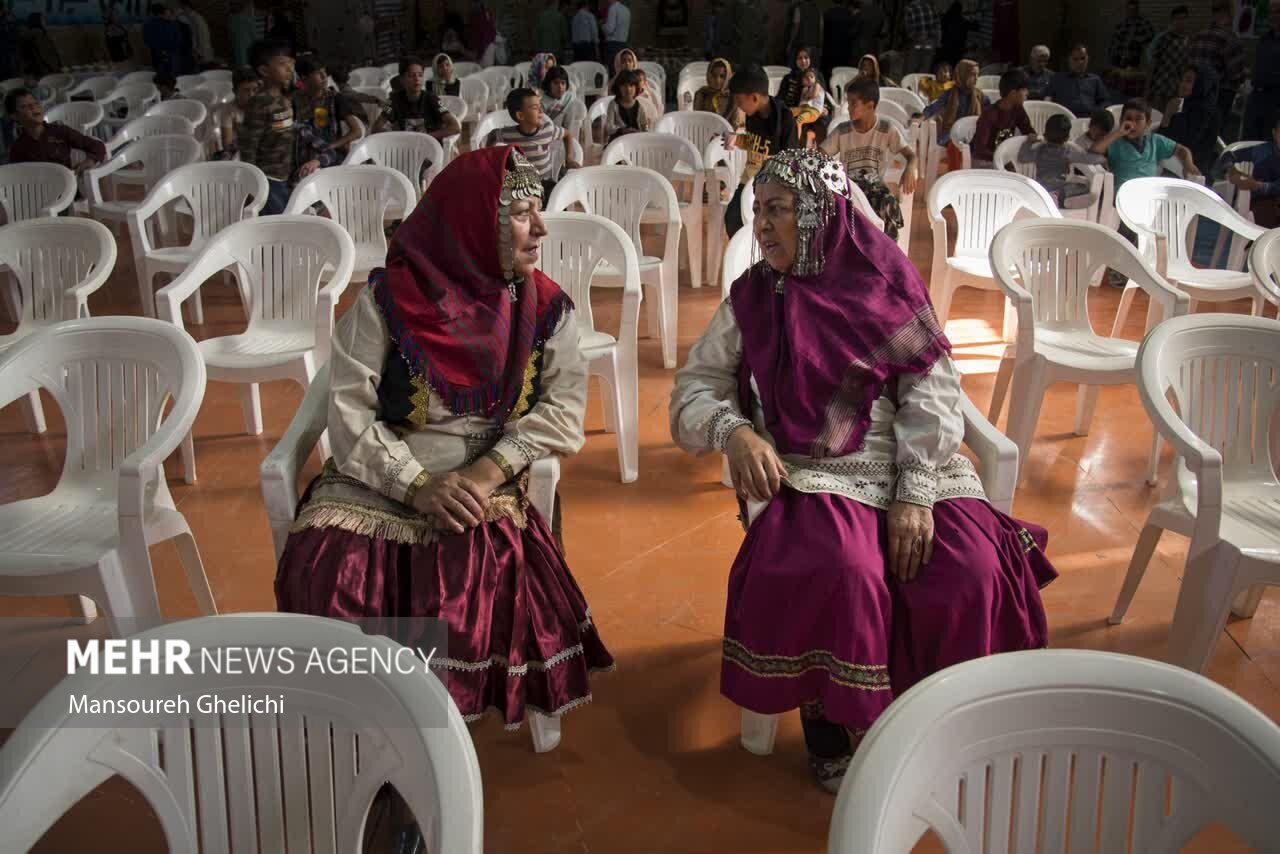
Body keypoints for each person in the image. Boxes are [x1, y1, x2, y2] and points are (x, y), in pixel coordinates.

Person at [670, 148, 1056, 793]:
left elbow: (932, 394)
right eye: (756, 211)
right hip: (814, 467)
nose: (760, 226)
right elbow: (695, 387)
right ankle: (831, 723)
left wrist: (914, 494)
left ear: (820, 213)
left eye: (778, 210)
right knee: (842, 572)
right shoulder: (752, 298)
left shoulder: (888, 282)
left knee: (970, 569)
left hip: (911, 464)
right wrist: (733, 430)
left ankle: (938, 722)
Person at [275, 144, 613, 746]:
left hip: (481, 470)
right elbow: (350, 411)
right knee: (326, 568)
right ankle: (373, 725)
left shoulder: (544, 308)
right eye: (519, 213)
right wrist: (417, 484)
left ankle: (430, 736)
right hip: (381, 473)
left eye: (540, 210)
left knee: (469, 574)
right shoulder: (387, 302)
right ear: (471, 225)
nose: (540, 228)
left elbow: (562, 411)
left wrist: (485, 475)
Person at [821, 78, 918, 238]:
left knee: (888, 204)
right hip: (849, 191)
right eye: (848, 102)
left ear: (870, 106)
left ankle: (887, 254)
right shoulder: (842, 131)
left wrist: (910, 167)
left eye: (853, 103)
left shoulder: (886, 129)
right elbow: (819, 155)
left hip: (874, 190)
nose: (848, 107)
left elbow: (911, 155)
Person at [723, 65, 800, 237]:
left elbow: (792, 160)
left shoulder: (784, 119)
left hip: (775, 184)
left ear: (755, 98)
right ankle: (744, 261)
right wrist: (735, 139)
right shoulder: (752, 114)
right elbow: (754, 144)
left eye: (740, 101)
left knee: (770, 227)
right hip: (749, 181)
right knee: (733, 219)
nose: (738, 106)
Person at [239, 40, 298, 214]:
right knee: (279, 229)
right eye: (282, 64)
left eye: (291, 64)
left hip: (283, 177)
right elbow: (248, 147)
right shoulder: (259, 103)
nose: (289, 69)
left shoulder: (283, 100)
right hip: (267, 180)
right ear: (264, 70)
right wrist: (252, 187)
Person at [1090, 97, 1201, 189]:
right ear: (1121, 121)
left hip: (1149, 193)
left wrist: (1188, 164)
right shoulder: (1115, 141)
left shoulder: (1155, 141)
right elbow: (1094, 150)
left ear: (1148, 123)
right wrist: (1119, 132)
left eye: (1138, 119)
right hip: (1124, 195)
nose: (1132, 123)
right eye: (1128, 118)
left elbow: (1182, 150)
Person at [488, 87, 579, 195]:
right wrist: (491, 160)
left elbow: (567, 134)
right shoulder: (508, 134)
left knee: (558, 200)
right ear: (520, 115)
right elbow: (493, 135)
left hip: (544, 184)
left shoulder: (548, 130)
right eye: (535, 108)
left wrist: (569, 159)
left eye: (540, 106)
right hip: (520, 187)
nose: (541, 111)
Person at [5, 88, 107, 172]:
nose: (33, 107)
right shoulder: (18, 147)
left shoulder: (60, 131)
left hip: (67, 188)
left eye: (35, 103)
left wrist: (90, 161)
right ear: (14, 116)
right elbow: (17, 176)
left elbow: (98, 146)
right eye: (25, 106)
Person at [293, 57, 363, 172]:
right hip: (305, 152)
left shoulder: (335, 98)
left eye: (324, 72)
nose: (324, 76)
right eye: (317, 73)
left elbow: (357, 131)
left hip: (330, 154)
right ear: (304, 78)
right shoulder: (296, 100)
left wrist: (332, 146)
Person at [1187, 0, 1245, 139]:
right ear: (1227, 14)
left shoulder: (1197, 36)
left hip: (1193, 95)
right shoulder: (1229, 38)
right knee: (1213, 137)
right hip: (1217, 97)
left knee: (1192, 133)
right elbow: (1236, 75)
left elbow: (1188, 65)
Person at [1016, 113, 1096, 209]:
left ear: (1046, 133)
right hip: (1060, 187)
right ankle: (1061, 201)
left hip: (1041, 187)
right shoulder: (1066, 153)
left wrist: (1029, 142)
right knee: (1084, 187)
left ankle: (1054, 199)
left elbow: (1022, 157)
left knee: (1059, 190)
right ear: (1067, 137)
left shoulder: (1040, 150)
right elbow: (1086, 159)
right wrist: (1102, 159)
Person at [376, 56, 462, 142]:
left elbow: (455, 127)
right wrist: (397, 137)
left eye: (420, 75)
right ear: (402, 79)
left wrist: (427, 137)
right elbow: (376, 128)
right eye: (411, 75)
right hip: (405, 147)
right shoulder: (393, 100)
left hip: (430, 147)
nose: (417, 79)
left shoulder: (432, 99)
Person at [1160, 65, 1220, 176]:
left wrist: (1168, 116)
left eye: (1188, 81)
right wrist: (1168, 115)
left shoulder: (1204, 113)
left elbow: (1173, 143)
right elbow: (1160, 142)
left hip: (1190, 171)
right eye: (1182, 80)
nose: (1182, 85)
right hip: (1173, 164)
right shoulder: (1183, 106)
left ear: (1201, 85)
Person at [1225, 114, 1280, 226]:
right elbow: (1228, 155)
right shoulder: (1262, 151)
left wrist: (1259, 186)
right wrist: (1232, 170)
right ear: (1274, 133)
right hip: (1261, 203)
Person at [971, 68, 1034, 166]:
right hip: (982, 161)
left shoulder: (1018, 110)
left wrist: (1034, 136)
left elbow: (1028, 130)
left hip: (1001, 158)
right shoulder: (989, 115)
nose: (1027, 93)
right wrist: (1002, 159)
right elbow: (980, 150)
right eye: (1024, 90)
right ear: (1013, 93)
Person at [922, 58, 984, 148]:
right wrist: (921, 117)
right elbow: (933, 108)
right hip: (952, 133)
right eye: (973, 75)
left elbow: (988, 113)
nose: (976, 78)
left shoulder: (980, 95)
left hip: (973, 134)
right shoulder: (950, 94)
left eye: (977, 75)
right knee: (953, 146)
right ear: (963, 75)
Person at [1244, 3, 1280, 142]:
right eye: (1271, 13)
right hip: (1256, 98)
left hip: (1275, 100)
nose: (1274, 16)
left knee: (1268, 143)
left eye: (1278, 12)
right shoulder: (1265, 38)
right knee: (1249, 141)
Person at [1147, 6, 1191, 113]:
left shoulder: (1188, 41)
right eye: (1178, 19)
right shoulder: (1164, 39)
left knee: (1173, 118)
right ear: (1172, 21)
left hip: (1176, 89)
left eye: (1184, 19)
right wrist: (1147, 88)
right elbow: (1153, 63)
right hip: (1160, 87)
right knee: (1157, 117)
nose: (1181, 22)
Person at [1046, 44, 1109, 119]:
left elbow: (1105, 101)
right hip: (1064, 120)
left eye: (1083, 58)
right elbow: (1047, 98)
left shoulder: (1095, 79)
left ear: (1088, 59)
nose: (1080, 62)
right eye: (1075, 59)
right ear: (1069, 60)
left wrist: (1096, 111)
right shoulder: (1057, 78)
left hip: (1089, 119)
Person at [217, 65, 259, 159]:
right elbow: (227, 145)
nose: (251, 95)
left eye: (255, 90)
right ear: (235, 91)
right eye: (246, 90)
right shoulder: (229, 111)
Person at [602, 68, 655, 141]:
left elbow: (644, 125)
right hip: (618, 140)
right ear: (618, 88)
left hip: (636, 140)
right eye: (624, 86)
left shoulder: (639, 106)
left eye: (631, 85)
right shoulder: (613, 105)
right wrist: (623, 130)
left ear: (636, 88)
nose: (628, 89)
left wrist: (643, 130)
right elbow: (609, 127)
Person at [609, 49, 661, 118]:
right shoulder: (613, 82)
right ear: (618, 63)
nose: (627, 63)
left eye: (629, 61)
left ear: (634, 63)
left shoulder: (639, 78)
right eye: (623, 61)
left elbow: (648, 97)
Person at [1109, 0, 1154, 69]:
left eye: (1133, 10)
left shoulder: (1143, 23)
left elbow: (1151, 37)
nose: (1131, 12)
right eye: (1129, 10)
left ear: (1137, 11)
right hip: (1117, 58)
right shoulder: (1122, 24)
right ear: (1126, 10)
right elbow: (1114, 42)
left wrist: (1135, 41)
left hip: (1133, 59)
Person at [904, 0, 941, 75]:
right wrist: (937, 43)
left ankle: (908, 85)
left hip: (918, 42)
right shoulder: (931, 7)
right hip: (929, 43)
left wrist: (916, 36)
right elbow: (937, 27)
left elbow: (909, 30)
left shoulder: (910, 8)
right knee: (924, 69)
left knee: (911, 69)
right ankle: (921, 84)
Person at [821, 0, 854, 82]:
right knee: (841, 72)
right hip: (844, 47)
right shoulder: (849, 14)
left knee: (828, 72)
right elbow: (852, 32)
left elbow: (823, 31)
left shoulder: (828, 13)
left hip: (829, 46)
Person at [143, 4, 181, 74]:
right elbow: (177, 38)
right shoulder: (171, 24)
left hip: (155, 53)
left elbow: (146, 41)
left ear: (152, 12)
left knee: (159, 73)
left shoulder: (147, 24)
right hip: (171, 52)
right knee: (173, 74)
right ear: (163, 12)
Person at [693, 57, 735, 121]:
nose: (717, 80)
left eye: (722, 76)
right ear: (708, 75)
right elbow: (697, 118)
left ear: (728, 76)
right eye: (714, 75)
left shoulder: (733, 96)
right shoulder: (702, 93)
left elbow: (738, 124)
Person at [783, 0, 822, 67]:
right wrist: (820, 46)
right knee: (813, 72)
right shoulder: (817, 10)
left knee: (793, 71)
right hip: (814, 46)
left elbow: (796, 26)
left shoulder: (799, 8)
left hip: (801, 45)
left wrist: (790, 43)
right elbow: (821, 29)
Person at [20, 13, 61, 77]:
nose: (45, 22)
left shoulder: (30, 33)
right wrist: (55, 69)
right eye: (43, 20)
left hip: (35, 71)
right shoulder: (38, 33)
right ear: (37, 21)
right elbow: (45, 55)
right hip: (44, 72)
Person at [176, 0, 213, 66]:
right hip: (200, 46)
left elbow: (198, 34)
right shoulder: (192, 16)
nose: (181, 10)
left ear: (187, 7)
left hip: (201, 46)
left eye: (182, 8)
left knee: (203, 64)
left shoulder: (195, 17)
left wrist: (197, 48)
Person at [849, 0, 883, 69]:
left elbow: (854, 31)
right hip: (873, 46)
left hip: (859, 47)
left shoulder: (861, 12)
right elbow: (882, 32)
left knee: (856, 69)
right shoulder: (880, 12)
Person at [938, 0, 974, 66]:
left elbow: (941, 29)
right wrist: (972, 18)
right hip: (958, 47)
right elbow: (975, 27)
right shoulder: (963, 20)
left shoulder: (945, 18)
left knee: (946, 64)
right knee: (955, 65)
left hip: (946, 46)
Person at [228, 2, 258, 68]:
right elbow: (254, 35)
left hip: (237, 46)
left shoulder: (231, 19)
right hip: (248, 45)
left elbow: (231, 34)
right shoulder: (248, 19)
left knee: (240, 63)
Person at [602, 0, 631, 69]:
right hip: (624, 44)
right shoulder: (626, 10)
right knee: (621, 69)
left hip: (613, 45)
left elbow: (609, 29)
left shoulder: (613, 8)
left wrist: (602, 26)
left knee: (613, 69)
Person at [468, 0, 497, 65]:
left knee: (485, 70)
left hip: (487, 46)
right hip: (485, 45)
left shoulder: (481, 14)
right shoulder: (477, 14)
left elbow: (487, 34)